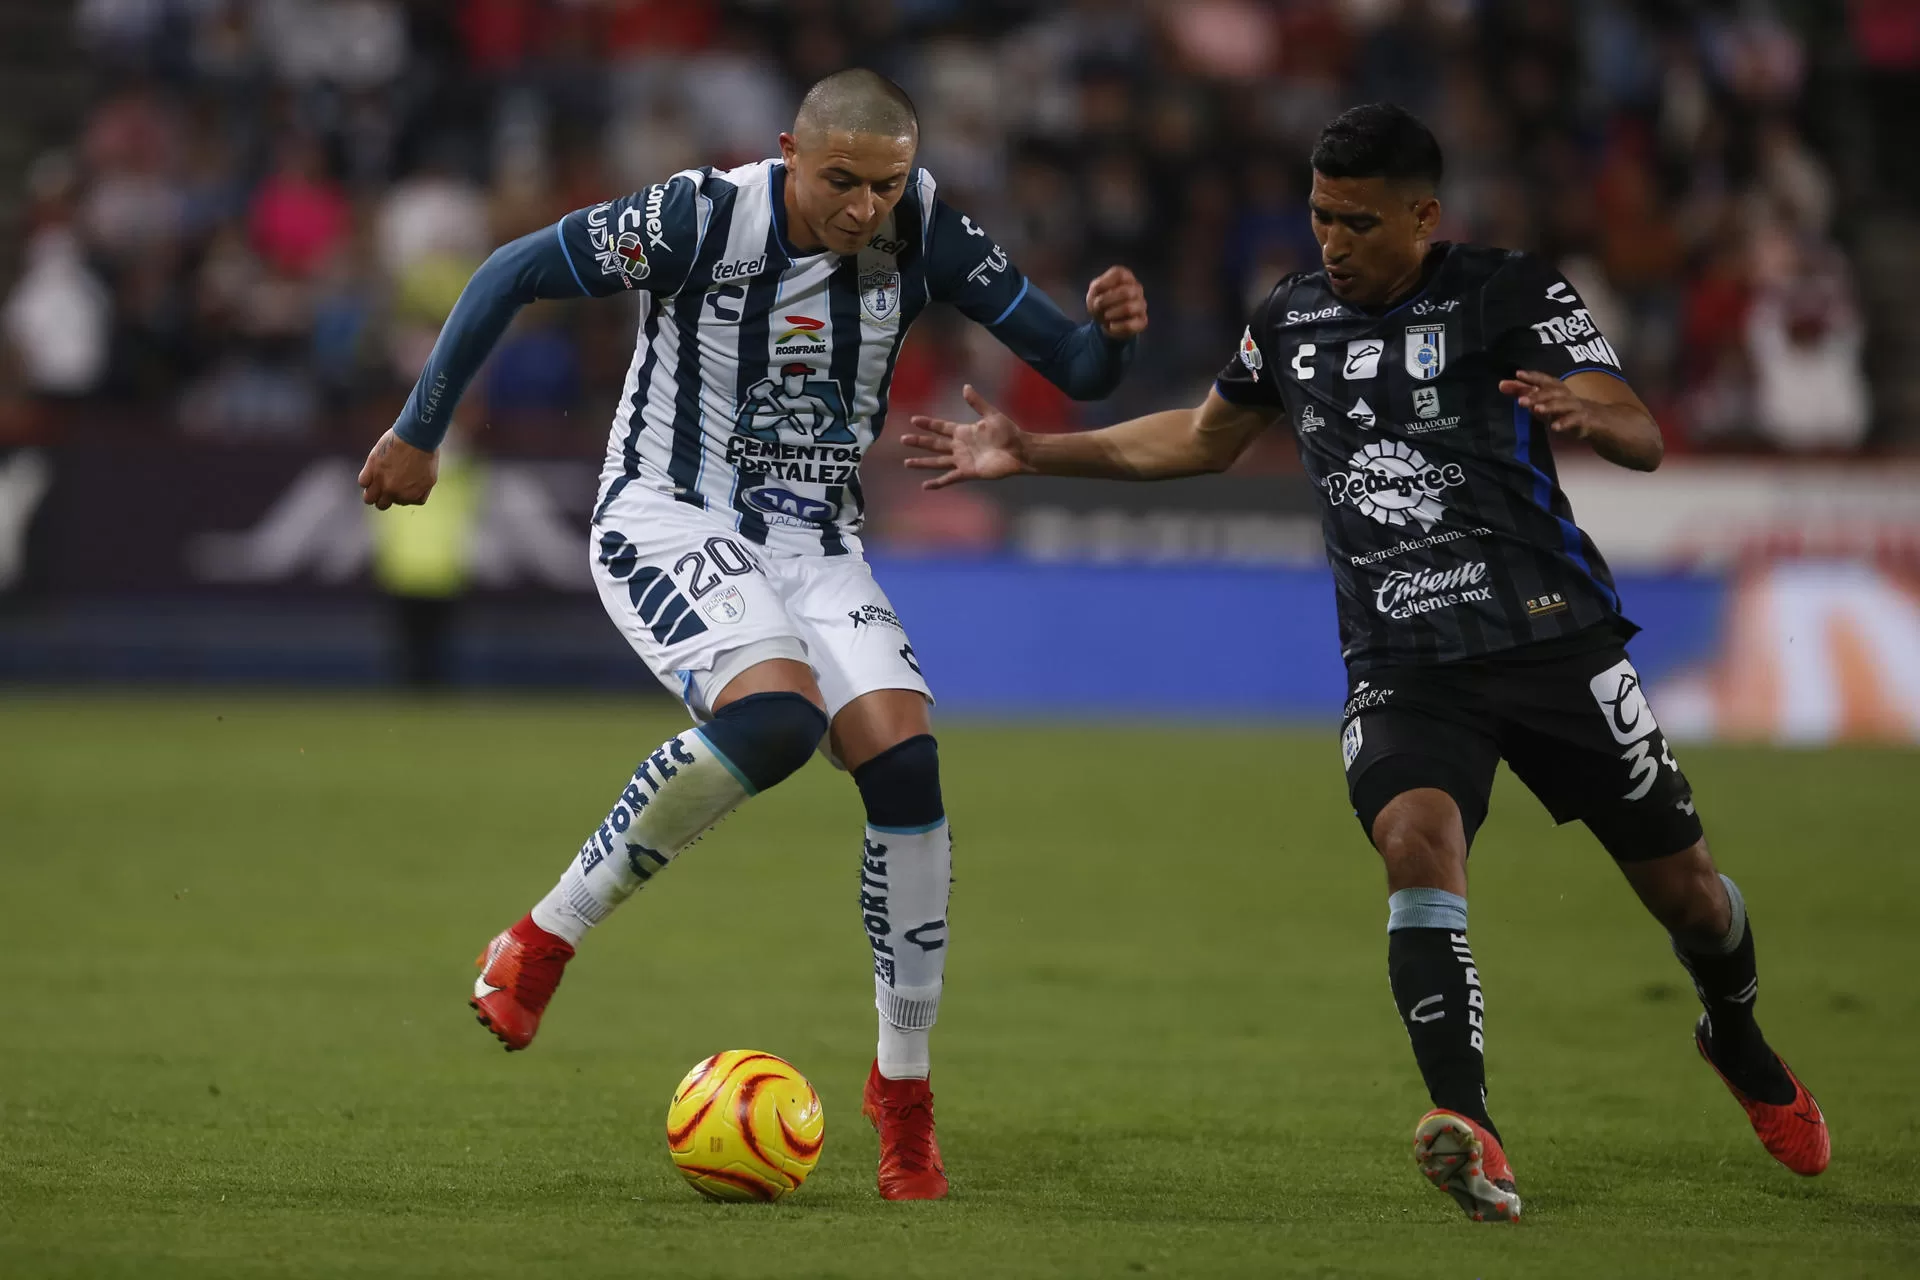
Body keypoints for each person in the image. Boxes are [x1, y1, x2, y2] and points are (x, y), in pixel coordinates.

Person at [900, 103, 1824, 1222]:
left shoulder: (1510, 292)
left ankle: (1732, 1029)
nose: (1331, 240)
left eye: (1357, 220)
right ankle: (1466, 1120)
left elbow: (1641, 431)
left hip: (1551, 637)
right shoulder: (1290, 316)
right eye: (1319, 215)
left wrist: (1594, 408)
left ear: (1424, 215)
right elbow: (1202, 436)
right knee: (1413, 840)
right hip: (1404, 657)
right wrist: (1034, 451)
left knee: (1691, 894)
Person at [356, 68, 1147, 1202]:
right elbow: (511, 271)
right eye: (840, 181)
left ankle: (903, 1093)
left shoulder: (924, 224)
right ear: (789, 152)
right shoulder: (699, 215)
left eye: (882, 184)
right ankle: (541, 937)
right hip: (670, 514)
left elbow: (1072, 365)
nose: (865, 207)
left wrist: (1111, 339)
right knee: (776, 720)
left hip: (818, 543)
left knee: (909, 767)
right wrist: (417, 431)